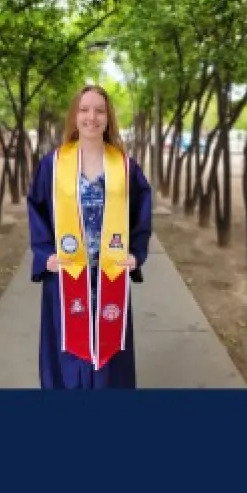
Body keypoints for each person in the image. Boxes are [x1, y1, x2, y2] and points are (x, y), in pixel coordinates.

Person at [27, 85, 153, 389]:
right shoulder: (54, 165)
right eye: (84, 110)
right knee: (69, 348)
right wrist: (46, 256)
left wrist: (136, 253)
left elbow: (142, 210)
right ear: (75, 116)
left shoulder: (124, 167)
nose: (92, 117)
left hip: (110, 274)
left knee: (110, 350)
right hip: (68, 273)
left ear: (108, 118)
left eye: (99, 110)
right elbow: (37, 209)